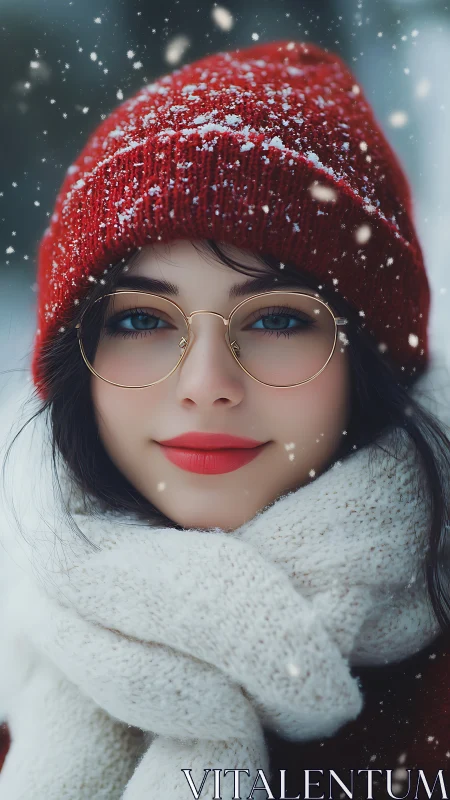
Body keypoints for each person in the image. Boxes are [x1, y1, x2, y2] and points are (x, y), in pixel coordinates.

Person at [0, 38, 449, 800]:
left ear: (368, 362)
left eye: (276, 319)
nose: (206, 385)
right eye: (141, 320)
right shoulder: (25, 672)